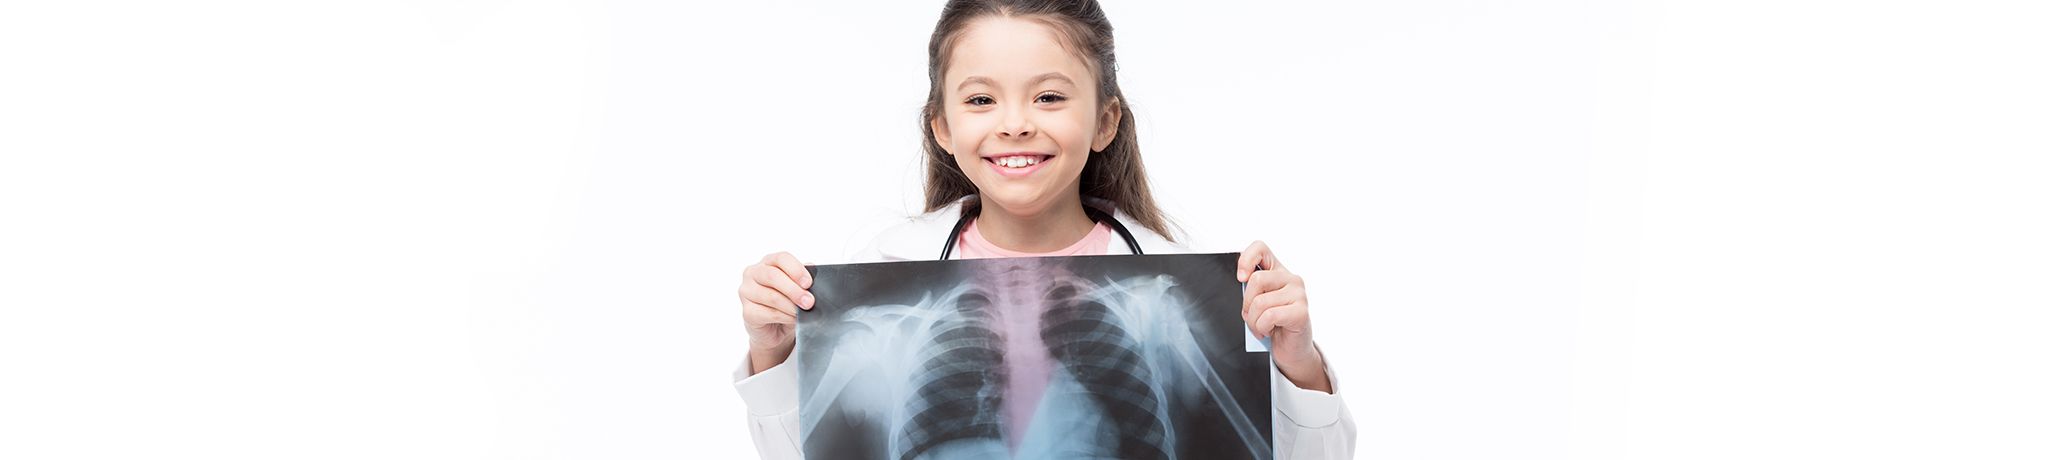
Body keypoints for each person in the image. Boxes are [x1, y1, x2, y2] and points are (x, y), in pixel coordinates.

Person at [731, 0, 1356, 457]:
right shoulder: (879, 287)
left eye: (1049, 97)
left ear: (1106, 120)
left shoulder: (1187, 293)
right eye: (981, 101)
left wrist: (1298, 365)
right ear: (942, 128)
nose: (1014, 125)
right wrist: (775, 351)